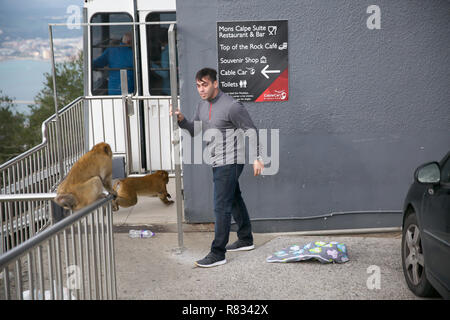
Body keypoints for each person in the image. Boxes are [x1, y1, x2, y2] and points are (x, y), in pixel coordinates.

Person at [171, 68, 264, 268]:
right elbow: (194, 130)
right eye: (198, 85)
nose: (201, 89)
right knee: (233, 198)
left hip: (230, 161)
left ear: (215, 83)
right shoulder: (201, 106)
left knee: (220, 205)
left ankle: (217, 253)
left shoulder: (232, 106)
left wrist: (258, 157)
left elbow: (251, 130)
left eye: (205, 84)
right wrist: (181, 120)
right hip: (216, 161)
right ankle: (246, 238)